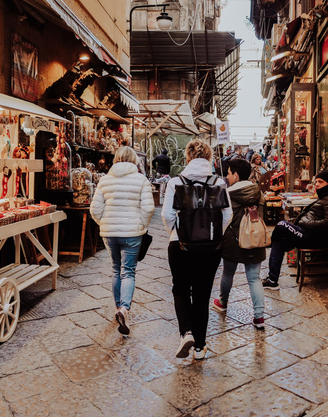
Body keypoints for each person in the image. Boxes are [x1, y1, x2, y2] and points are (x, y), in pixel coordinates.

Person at [162, 140, 233, 359]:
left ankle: (186, 332)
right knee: (202, 294)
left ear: (188, 158)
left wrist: (176, 232)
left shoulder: (176, 182)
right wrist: (212, 233)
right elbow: (227, 215)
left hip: (180, 245)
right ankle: (200, 348)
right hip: (210, 248)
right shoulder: (218, 183)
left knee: (181, 289)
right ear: (210, 159)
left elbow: (166, 215)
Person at [90, 146, 155, 335]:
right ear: (134, 160)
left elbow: (95, 210)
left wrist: (104, 223)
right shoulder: (140, 180)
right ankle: (124, 309)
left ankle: (118, 307)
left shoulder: (104, 180)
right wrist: (141, 224)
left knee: (115, 269)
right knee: (128, 271)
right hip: (132, 233)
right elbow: (149, 208)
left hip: (109, 233)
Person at [262, 170, 328, 289]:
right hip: (306, 233)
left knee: (281, 225)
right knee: (278, 243)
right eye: (316, 182)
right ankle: (272, 280)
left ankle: (268, 242)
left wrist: (306, 223)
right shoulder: (325, 197)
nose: (317, 184)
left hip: (314, 238)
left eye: (321, 182)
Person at [212, 159, 267, 329]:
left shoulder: (226, 193)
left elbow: (221, 218)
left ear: (236, 175)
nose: (227, 177)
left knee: (228, 273)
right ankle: (259, 317)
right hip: (254, 238)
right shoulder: (257, 191)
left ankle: (223, 302)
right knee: (254, 278)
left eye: (228, 174)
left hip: (232, 239)